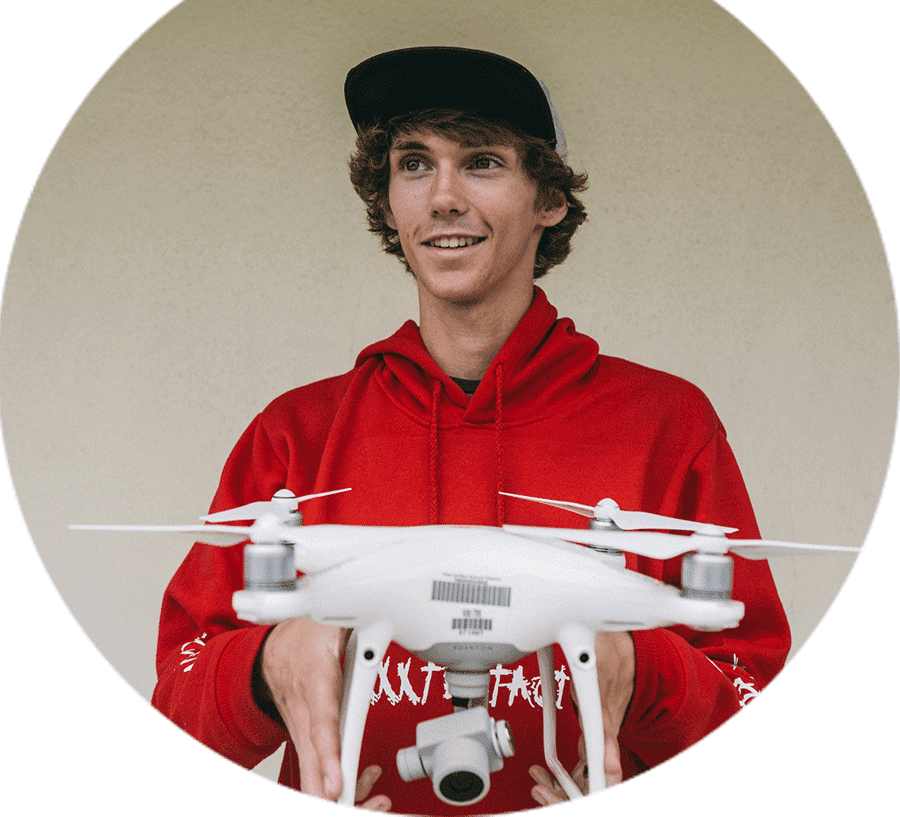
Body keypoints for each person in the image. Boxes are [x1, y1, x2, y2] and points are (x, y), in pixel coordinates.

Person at [152, 47, 790, 814]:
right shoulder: (295, 434)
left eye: (481, 162)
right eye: (414, 164)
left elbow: (755, 710)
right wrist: (262, 663)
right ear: (388, 201)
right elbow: (175, 711)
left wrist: (642, 664)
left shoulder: (666, 423)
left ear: (548, 199)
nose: (443, 198)